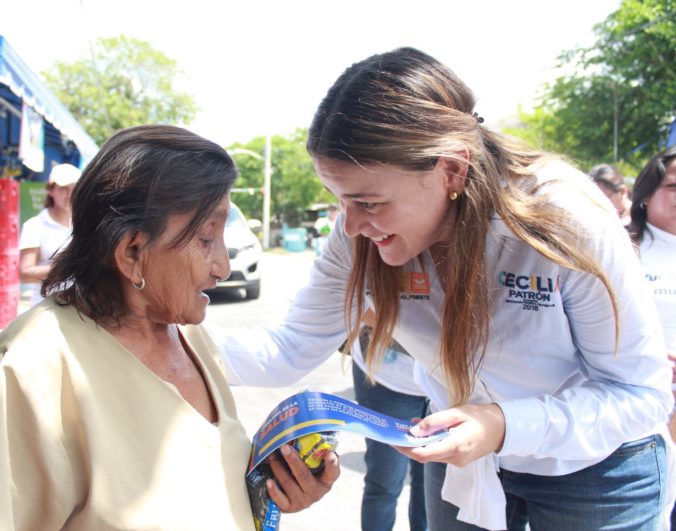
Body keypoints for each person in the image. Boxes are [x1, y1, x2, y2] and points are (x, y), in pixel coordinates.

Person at [216, 48, 673, 530]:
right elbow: (289, 348)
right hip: (470, 468)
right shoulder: (357, 233)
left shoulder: (563, 220)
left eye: (369, 201)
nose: (349, 226)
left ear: (452, 170)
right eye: (339, 200)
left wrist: (502, 424)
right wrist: (156, 344)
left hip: (595, 473)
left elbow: (640, 395)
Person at [0, 125, 338, 530]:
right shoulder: (33, 370)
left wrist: (269, 490)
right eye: (205, 238)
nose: (224, 268)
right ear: (132, 252)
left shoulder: (187, 333)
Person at [351, 322, 428, 531]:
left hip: (446, 379)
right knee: (385, 483)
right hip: (387, 377)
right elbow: (361, 305)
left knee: (431, 487)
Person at [18, 163, 80, 306]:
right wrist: (67, 268)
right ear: (51, 190)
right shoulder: (35, 225)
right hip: (46, 308)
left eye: (74, 189)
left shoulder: (83, 223)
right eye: (63, 188)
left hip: (80, 308)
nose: (69, 194)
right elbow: (25, 274)